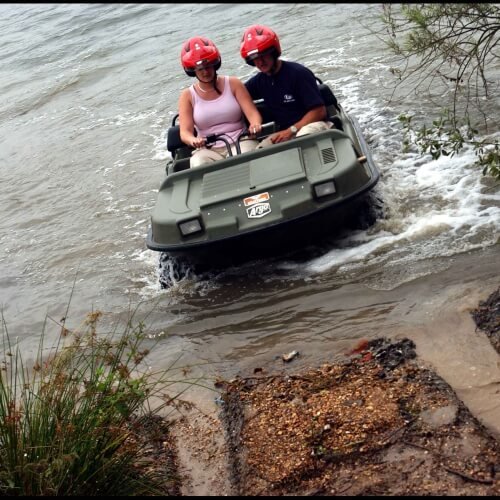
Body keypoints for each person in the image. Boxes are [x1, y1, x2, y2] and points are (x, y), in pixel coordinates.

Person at [240, 25, 332, 147]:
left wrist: (292, 130)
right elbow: (236, 95)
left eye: (263, 55)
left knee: (303, 137)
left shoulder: (298, 73)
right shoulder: (258, 81)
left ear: (273, 53)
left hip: (314, 125)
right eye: (255, 59)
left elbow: (319, 111)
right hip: (284, 133)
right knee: (260, 151)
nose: (260, 62)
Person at [178, 36, 263, 168]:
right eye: (200, 69)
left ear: (215, 64)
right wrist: (194, 140)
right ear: (192, 71)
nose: (206, 72)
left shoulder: (233, 83)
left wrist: (255, 124)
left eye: (208, 66)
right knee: (198, 163)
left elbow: (252, 113)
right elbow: (185, 132)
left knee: (241, 159)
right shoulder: (187, 95)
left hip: (240, 141)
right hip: (208, 149)